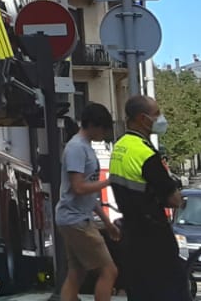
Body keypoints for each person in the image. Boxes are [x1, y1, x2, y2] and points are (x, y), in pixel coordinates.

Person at [110, 95, 185, 301]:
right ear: (143, 119)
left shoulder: (120, 147)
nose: (161, 118)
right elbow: (173, 199)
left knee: (140, 292)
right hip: (153, 235)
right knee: (171, 290)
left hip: (131, 233)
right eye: (156, 114)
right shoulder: (145, 153)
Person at [57, 103, 122, 301]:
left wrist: (107, 222)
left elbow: (88, 195)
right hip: (76, 220)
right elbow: (78, 187)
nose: (105, 133)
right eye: (103, 128)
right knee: (109, 270)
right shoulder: (77, 148)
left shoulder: (84, 147)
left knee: (77, 273)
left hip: (74, 218)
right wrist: (109, 181)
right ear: (92, 125)